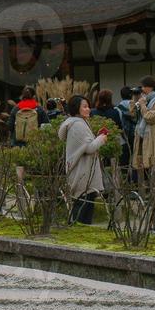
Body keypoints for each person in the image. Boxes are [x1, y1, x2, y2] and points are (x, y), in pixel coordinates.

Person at [58, 94, 108, 224]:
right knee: (83, 209)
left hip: (81, 171)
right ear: (76, 109)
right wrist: (101, 139)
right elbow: (90, 148)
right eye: (85, 107)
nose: (88, 109)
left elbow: (84, 145)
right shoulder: (78, 125)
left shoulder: (76, 123)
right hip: (83, 173)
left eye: (88, 106)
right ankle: (75, 235)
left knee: (82, 205)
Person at [130, 76, 155, 199]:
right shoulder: (145, 99)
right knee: (144, 164)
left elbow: (150, 117)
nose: (141, 89)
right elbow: (132, 114)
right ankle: (148, 194)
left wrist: (142, 105)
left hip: (154, 137)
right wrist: (135, 99)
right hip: (144, 137)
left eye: (143, 86)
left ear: (150, 87)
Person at [115, 87, 138, 168]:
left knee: (125, 160)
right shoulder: (137, 106)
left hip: (124, 136)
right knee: (136, 157)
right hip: (136, 134)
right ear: (131, 94)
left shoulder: (117, 108)